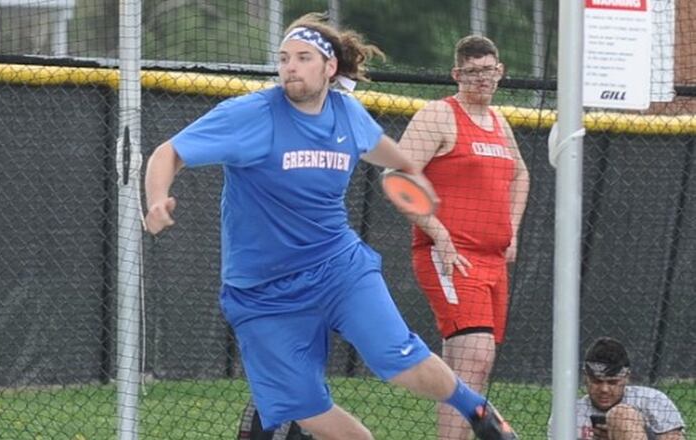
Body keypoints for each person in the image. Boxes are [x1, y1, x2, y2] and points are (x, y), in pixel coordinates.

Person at [144, 13, 518, 440]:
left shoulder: (347, 114)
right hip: (262, 293)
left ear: (330, 68)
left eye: (303, 58)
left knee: (398, 359)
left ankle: (479, 411)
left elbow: (385, 153)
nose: (291, 67)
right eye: (284, 58)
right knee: (316, 414)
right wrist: (157, 200)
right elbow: (168, 152)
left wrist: (405, 174)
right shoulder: (250, 114)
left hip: (339, 268)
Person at [396, 35, 530, 440]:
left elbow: (521, 174)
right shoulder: (439, 115)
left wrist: (513, 230)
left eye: (488, 70)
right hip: (453, 256)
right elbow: (397, 175)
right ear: (457, 74)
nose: (481, 79)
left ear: (500, 71)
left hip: (492, 260)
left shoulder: (499, 122)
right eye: (472, 72)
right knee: (475, 357)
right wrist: (438, 233)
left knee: (470, 367)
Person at [547, 337, 686, 440]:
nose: (604, 389)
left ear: (627, 377)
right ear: (585, 378)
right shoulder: (569, 413)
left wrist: (625, 433)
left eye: (613, 382)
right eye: (597, 381)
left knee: (621, 416)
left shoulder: (652, 400)